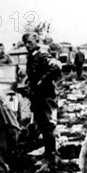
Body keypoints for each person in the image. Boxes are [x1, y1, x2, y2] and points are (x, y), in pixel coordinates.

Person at [22, 32, 62, 162]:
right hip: (37, 97)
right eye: (26, 43)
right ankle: (48, 154)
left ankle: (51, 156)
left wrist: (41, 82)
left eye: (30, 42)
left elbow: (55, 68)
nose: (28, 45)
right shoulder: (31, 57)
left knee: (47, 126)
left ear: (37, 42)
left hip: (44, 96)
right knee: (41, 125)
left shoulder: (42, 55)